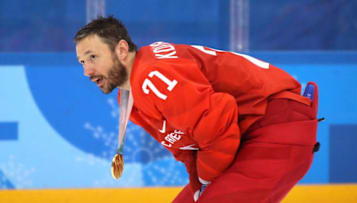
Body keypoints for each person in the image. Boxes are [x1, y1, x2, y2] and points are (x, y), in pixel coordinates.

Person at [74, 16, 320, 203]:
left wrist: (204, 181)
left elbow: (218, 124)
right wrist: (197, 183)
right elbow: (187, 146)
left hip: (274, 127)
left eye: (93, 57)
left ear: (121, 49)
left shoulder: (152, 75)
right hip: (255, 132)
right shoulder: (130, 96)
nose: (87, 71)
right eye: (82, 62)